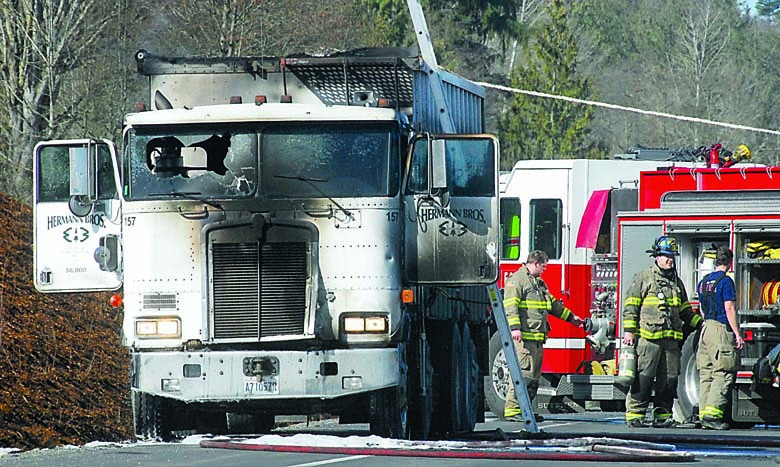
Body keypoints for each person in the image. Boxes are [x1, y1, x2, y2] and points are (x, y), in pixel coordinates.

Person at [622, 236, 703, 428]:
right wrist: (629, 332)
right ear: (656, 257)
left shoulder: (676, 282)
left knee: (669, 380)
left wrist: (701, 324)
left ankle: (662, 415)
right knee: (644, 378)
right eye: (666, 256)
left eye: (672, 256)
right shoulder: (643, 278)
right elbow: (630, 307)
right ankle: (635, 414)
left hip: (671, 342)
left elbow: (684, 311)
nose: (670, 260)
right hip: (648, 340)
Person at [502, 250, 584, 422]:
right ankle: (513, 409)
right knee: (523, 374)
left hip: (537, 337)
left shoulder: (538, 283)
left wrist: (571, 318)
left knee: (534, 378)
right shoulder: (517, 280)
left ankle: (525, 410)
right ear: (536, 263)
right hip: (524, 337)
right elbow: (510, 306)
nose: (545, 270)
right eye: (544, 266)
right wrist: (515, 328)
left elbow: (552, 304)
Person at [696, 246, 744, 430]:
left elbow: (701, 308)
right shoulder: (726, 282)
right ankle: (713, 415)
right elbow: (729, 308)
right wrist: (737, 334)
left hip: (706, 328)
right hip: (720, 329)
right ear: (730, 263)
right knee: (723, 372)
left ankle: (703, 413)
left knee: (706, 373)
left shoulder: (703, 281)